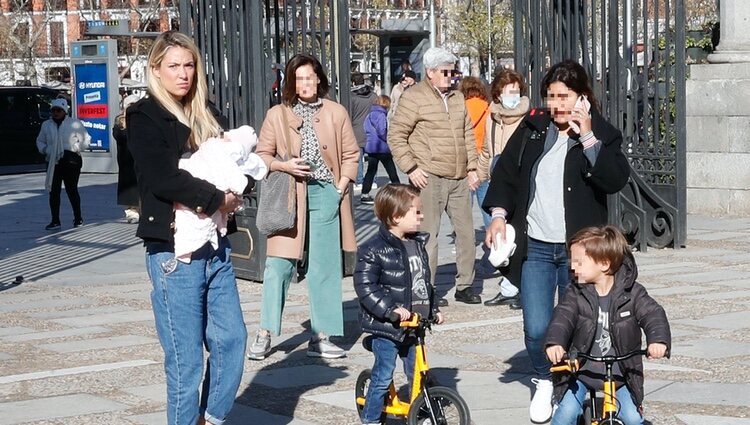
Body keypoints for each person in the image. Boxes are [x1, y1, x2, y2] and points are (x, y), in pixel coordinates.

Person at [482, 60, 630, 422]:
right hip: (536, 246)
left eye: (564, 96)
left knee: (579, 324)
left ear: (582, 97)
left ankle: (572, 389)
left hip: (577, 251)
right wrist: (498, 215)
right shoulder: (534, 128)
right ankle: (545, 378)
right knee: (536, 327)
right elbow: (506, 175)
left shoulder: (602, 133)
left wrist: (588, 137)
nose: (556, 104)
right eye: (551, 96)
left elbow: (614, 179)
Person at [126, 31, 247, 425]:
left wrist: (237, 186)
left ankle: (209, 418)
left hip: (216, 247)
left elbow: (236, 160)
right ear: (156, 70)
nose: (183, 74)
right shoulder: (145, 116)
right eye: (174, 66)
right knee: (185, 362)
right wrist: (217, 198)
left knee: (232, 340)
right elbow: (162, 178)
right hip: (173, 253)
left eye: (189, 65)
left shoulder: (207, 113)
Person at [248, 53, 360, 360]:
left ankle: (322, 335)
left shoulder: (336, 112)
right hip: (289, 197)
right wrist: (285, 166)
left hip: (326, 194)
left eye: (310, 77)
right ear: (291, 82)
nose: (305, 83)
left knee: (325, 267)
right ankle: (265, 332)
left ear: (320, 79)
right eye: (299, 78)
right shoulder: (277, 115)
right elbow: (261, 156)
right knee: (278, 267)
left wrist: (340, 187)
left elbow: (351, 153)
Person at [545, 225, 671, 425]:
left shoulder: (633, 293)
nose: (572, 267)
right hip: (582, 370)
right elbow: (562, 317)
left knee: (632, 418)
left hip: (621, 373)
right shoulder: (575, 293)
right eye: (572, 261)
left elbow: (653, 314)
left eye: (579, 262)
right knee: (566, 414)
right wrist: (555, 343)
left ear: (604, 264)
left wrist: (658, 341)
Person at [389, 46, 481, 306]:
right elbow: (396, 136)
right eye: (445, 72)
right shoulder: (413, 98)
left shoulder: (457, 97)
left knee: (466, 233)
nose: (450, 76)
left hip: (459, 176)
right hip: (429, 177)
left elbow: (467, 134)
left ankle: (465, 285)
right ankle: (426, 289)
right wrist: (411, 167)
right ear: (430, 72)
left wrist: (472, 168)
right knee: (429, 235)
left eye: (453, 72)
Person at [354, 183, 444, 425]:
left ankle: (421, 414)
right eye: (416, 212)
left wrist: (432, 310)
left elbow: (422, 283)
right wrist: (390, 310)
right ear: (396, 217)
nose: (422, 216)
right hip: (387, 327)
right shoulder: (373, 249)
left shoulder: (417, 245)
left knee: (418, 373)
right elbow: (365, 287)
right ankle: (371, 419)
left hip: (414, 326)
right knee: (383, 375)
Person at [174, 126, 267, 262]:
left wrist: (247, 184)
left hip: (216, 230)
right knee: (193, 227)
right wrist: (222, 199)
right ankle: (188, 246)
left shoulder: (214, 121)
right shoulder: (218, 147)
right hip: (191, 209)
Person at [479, 69, 530, 309]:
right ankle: (509, 285)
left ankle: (518, 286)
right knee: (499, 238)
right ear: (498, 94)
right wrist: (478, 174)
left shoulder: (527, 118)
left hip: (517, 184)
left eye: (517, 91)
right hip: (495, 181)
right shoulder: (493, 116)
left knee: (518, 236)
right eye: (509, 91)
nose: (514, 95)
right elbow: (487, 150)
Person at [36, 97, 91, 231]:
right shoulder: (47, 125)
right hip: (53, 160)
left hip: (70, 160)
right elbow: (40, 141)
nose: (55, 113)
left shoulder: (74, 123)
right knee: (53, 191)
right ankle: (55, 220)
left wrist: (76, 148)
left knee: (71, 189)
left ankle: (78, 218)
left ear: (64, 111)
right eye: (53, 110)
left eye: (58, 110)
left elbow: (86, 139)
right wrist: (46, 150)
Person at [360, 95, 400, 205]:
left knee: (371, 171)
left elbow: (365, 127)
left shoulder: (369, 114)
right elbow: (382, 130)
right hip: (382, 147)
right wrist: (388, 140)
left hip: (371, 147)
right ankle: (399, 190)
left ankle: (364, 194)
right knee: (391, 169)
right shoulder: (381, 115)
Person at [113, 94, 141, 224]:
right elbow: (118, 136)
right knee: (129, 185)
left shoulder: (144, 120)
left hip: (141, 157)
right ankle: (131, 211)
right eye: (131, 105)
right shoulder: (120, 121)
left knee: (142, 183)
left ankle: (142, 208)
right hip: (126, 159)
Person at [349, 71, 378, 189]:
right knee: (373, 157)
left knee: (358, 158)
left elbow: (348, 114)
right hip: (372, 130)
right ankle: (372, 180)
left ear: (353, 82)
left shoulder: (351, 97)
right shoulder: (373, 96)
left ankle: (359, 180)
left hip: (356, 130)